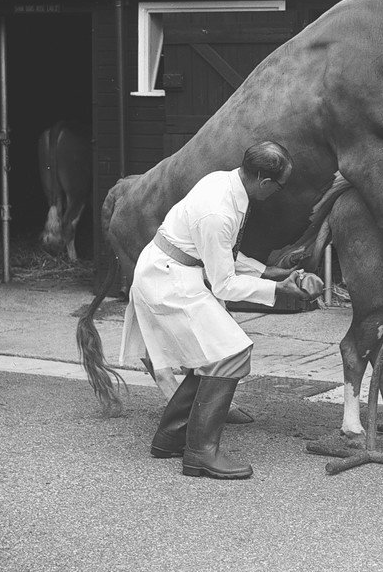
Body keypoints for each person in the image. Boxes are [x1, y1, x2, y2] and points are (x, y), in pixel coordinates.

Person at [119, 141, 323, 480]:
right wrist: (280, 290)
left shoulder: (223, 182)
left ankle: (171, 437)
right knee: (232, 353)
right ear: (264, 182)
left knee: (214, 352)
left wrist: (270, 272)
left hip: (174, 271)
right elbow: (223, 283)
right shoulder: (219, 211)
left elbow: (220, 251)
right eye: (279, 186)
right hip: (168, 281)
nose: (278, 192)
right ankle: (200, 453)